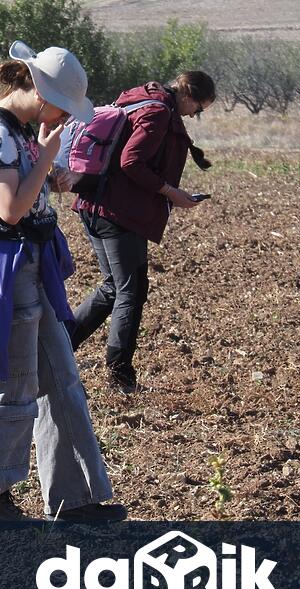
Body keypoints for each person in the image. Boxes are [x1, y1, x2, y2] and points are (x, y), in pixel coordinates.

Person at [0, 42, 125, 525]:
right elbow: (9, 210)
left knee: (61, 381)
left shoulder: (18, 133)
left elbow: (25, 193)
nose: (63, 116)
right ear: (40, 92)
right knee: (9, 383)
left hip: (30, 267)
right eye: (62, 105)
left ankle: (75, 498)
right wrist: (46, 157)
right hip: (3, 274)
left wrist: (47, 168)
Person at [69, 72, 216, 393]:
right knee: (131, 291)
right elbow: (131, 161)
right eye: (199, 108)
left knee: (115, 287)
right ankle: (120, 377)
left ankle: (59, 349)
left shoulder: (141, 98)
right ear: (188, 95)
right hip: (118, 213)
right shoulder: (158, 111)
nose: (195, 115)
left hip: (96, 204)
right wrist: (170, 192)